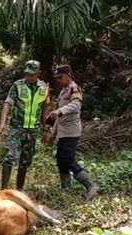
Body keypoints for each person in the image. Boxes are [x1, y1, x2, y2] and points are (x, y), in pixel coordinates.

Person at [47, 64, 98, 200]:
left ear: (68, 75)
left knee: (68, 159)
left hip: (72, 131)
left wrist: (59, 110)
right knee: (60, 160)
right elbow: (60, 115)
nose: (58, 80)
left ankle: (91, 185)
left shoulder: (75, 88)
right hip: (63, 131)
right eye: (57, 78)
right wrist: (54, 132)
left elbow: (76, 105)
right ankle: (66, 189)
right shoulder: (63, 91)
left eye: (60, 77)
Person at [0, 60, 50, 191]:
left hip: (33, 130)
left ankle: (19, 190)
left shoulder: (44, 88)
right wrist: (2, 123)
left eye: (32, 74)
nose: (28, 76)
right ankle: (3, 189)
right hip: (17, 128)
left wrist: (44, 128)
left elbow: (45, 108)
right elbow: (7, 103)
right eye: (27, 73)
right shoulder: (18, 85)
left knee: (25, 161)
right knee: (10, 157)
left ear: (38, 73)